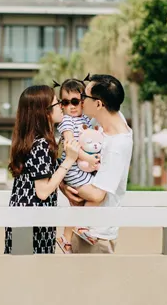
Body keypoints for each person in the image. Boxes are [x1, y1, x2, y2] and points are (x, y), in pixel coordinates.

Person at [59, 74, 133, 254]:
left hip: (96, 234)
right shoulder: (101, 121)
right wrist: (63, 185)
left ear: (99, 104)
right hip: (84, 228)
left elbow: (98, 194)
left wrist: (65, 183)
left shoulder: (117, 146)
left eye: (84, 96)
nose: (81, 100)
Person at [4, 85, 80, 254]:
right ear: (43, 112)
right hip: (33, 223)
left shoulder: (31, 141)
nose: (62, 106)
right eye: (57, 103)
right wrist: (69, 160)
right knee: (33, 273)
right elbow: (43, 191)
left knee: (20, 272)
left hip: (23, 220)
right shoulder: (41, 145)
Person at [54, 79, 104, 254]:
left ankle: (66, 239)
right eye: (65, 102)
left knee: (77, 206)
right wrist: (88, 159)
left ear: (83, 101)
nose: (71, 106)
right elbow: (70, 145)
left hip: (83, 168)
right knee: (96, 196)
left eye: (75, 101)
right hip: (74, 171)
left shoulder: (86, 119)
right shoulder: (67, 122)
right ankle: (83, 226)